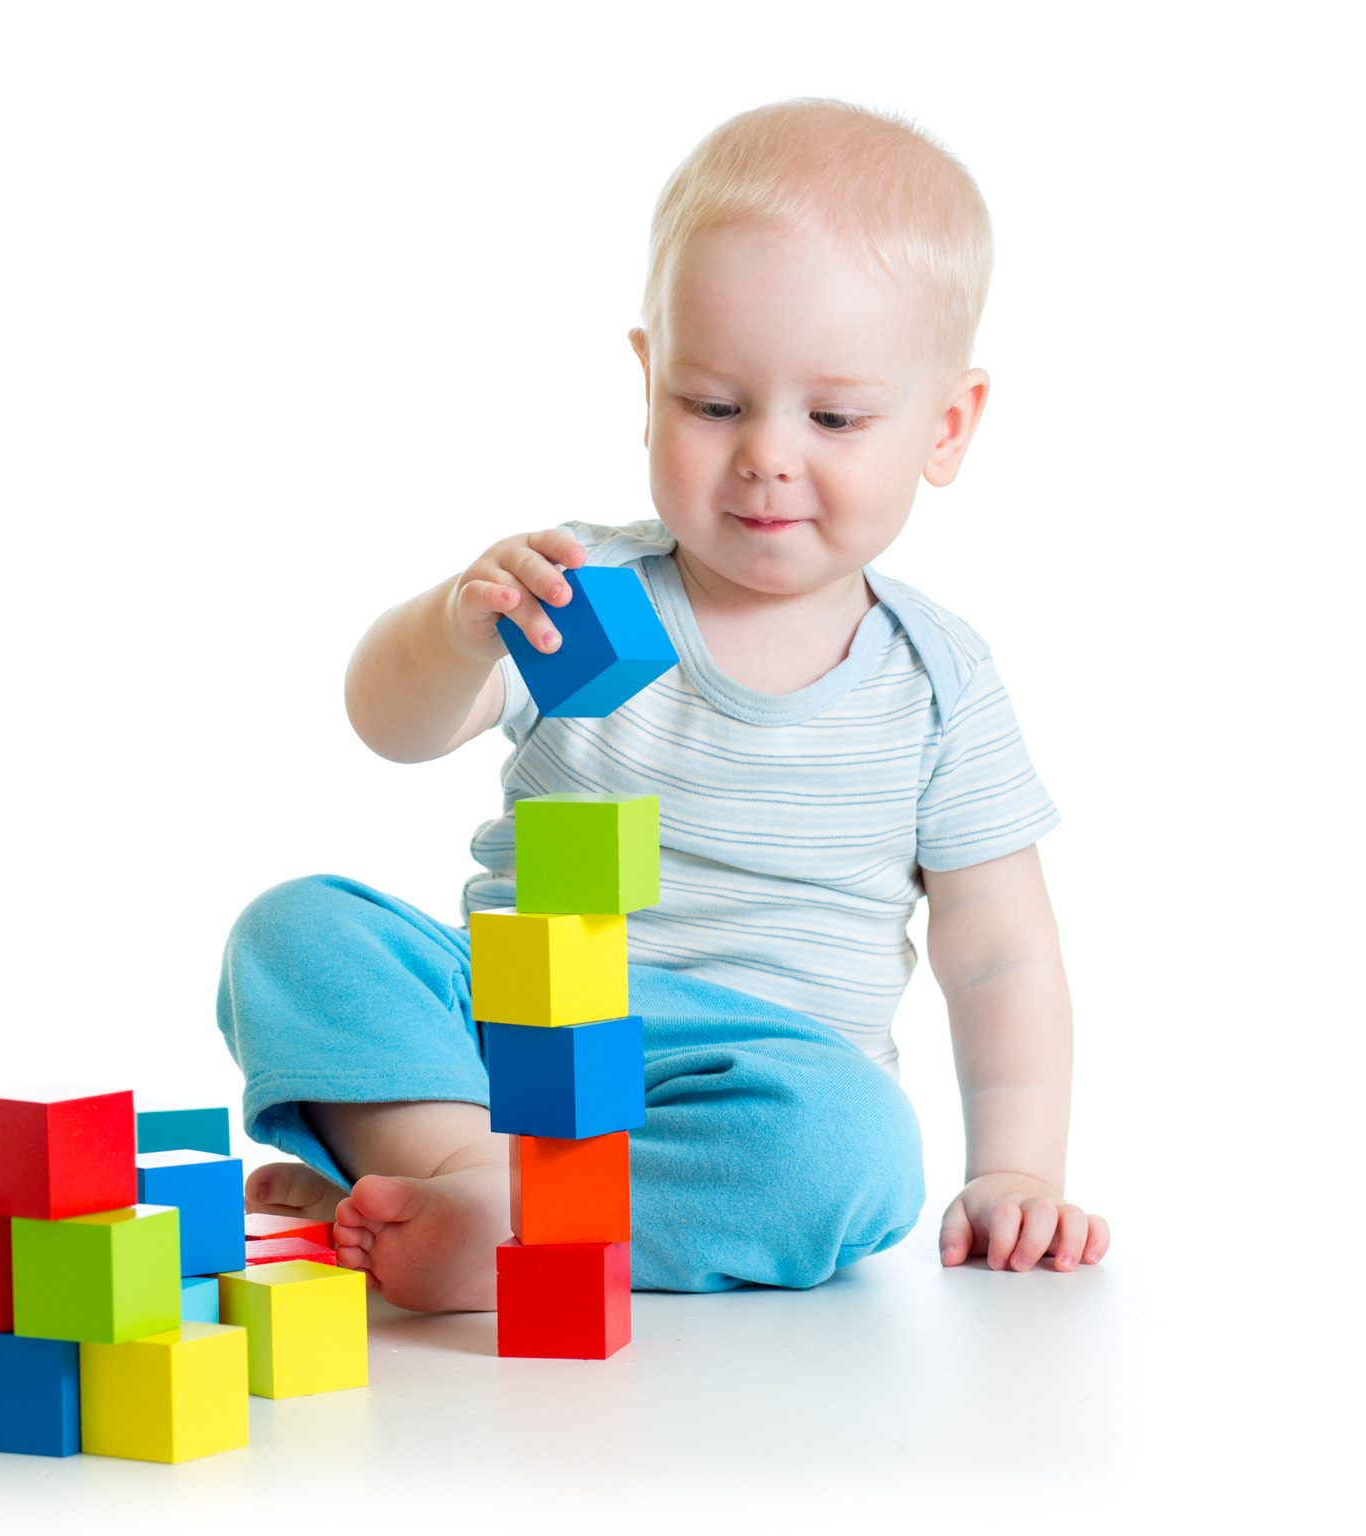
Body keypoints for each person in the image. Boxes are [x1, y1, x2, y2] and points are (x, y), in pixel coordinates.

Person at [216, 97, 1109, 1311]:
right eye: (712, 404)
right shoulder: (573, 592)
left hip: (746, 1079)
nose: (766, 456)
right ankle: (457, 1171)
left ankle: (478, 1207)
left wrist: (1014, 1167)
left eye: (835, 418)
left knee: (853, 1150)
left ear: (944, 428)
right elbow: (391, 726)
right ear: (648, 384)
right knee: (298, 931)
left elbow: (999, 956)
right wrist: (448, 626)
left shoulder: (934, 679)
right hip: (508, 1037)